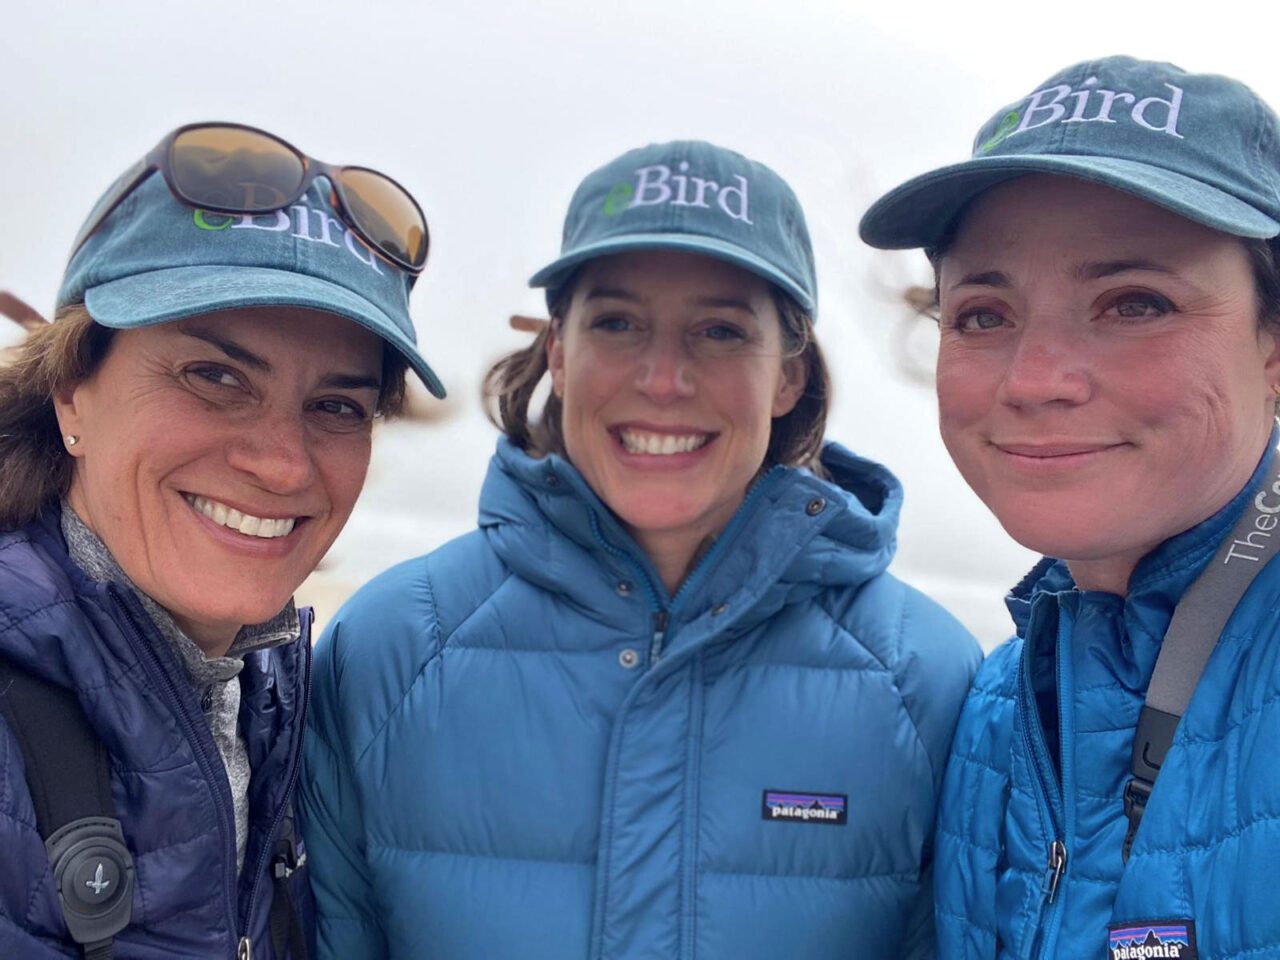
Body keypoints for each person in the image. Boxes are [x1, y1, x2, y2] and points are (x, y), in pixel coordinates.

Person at [300, 139, 981, 959]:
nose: (663, 379)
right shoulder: (387, 648)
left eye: (721, 331)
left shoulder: (929, 680)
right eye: (617, 323)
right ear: (558, 349)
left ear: (789, 375)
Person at [859, 56, 1280, 959]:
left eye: (1133, 303)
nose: (1035, 379)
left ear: (1272, 344)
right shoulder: (996, 705)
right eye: (982, 314)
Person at [0, 122, 444, 959]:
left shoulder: (281, 702)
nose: (282, 466)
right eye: (214, 376)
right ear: (69, 392)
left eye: (338, 406)